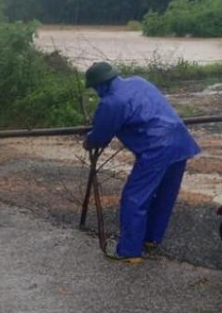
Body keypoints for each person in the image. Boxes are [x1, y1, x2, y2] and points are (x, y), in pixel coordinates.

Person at [83, 61, 200, 262]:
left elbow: (100, 137)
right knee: (164, 194)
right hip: (180, 141)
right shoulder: (139, 81)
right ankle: (151, 240)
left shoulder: (111, 102)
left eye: (95, 87)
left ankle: (130, 251)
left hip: (156, 149)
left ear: (100, 85)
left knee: (134, 198)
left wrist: (88, 141)